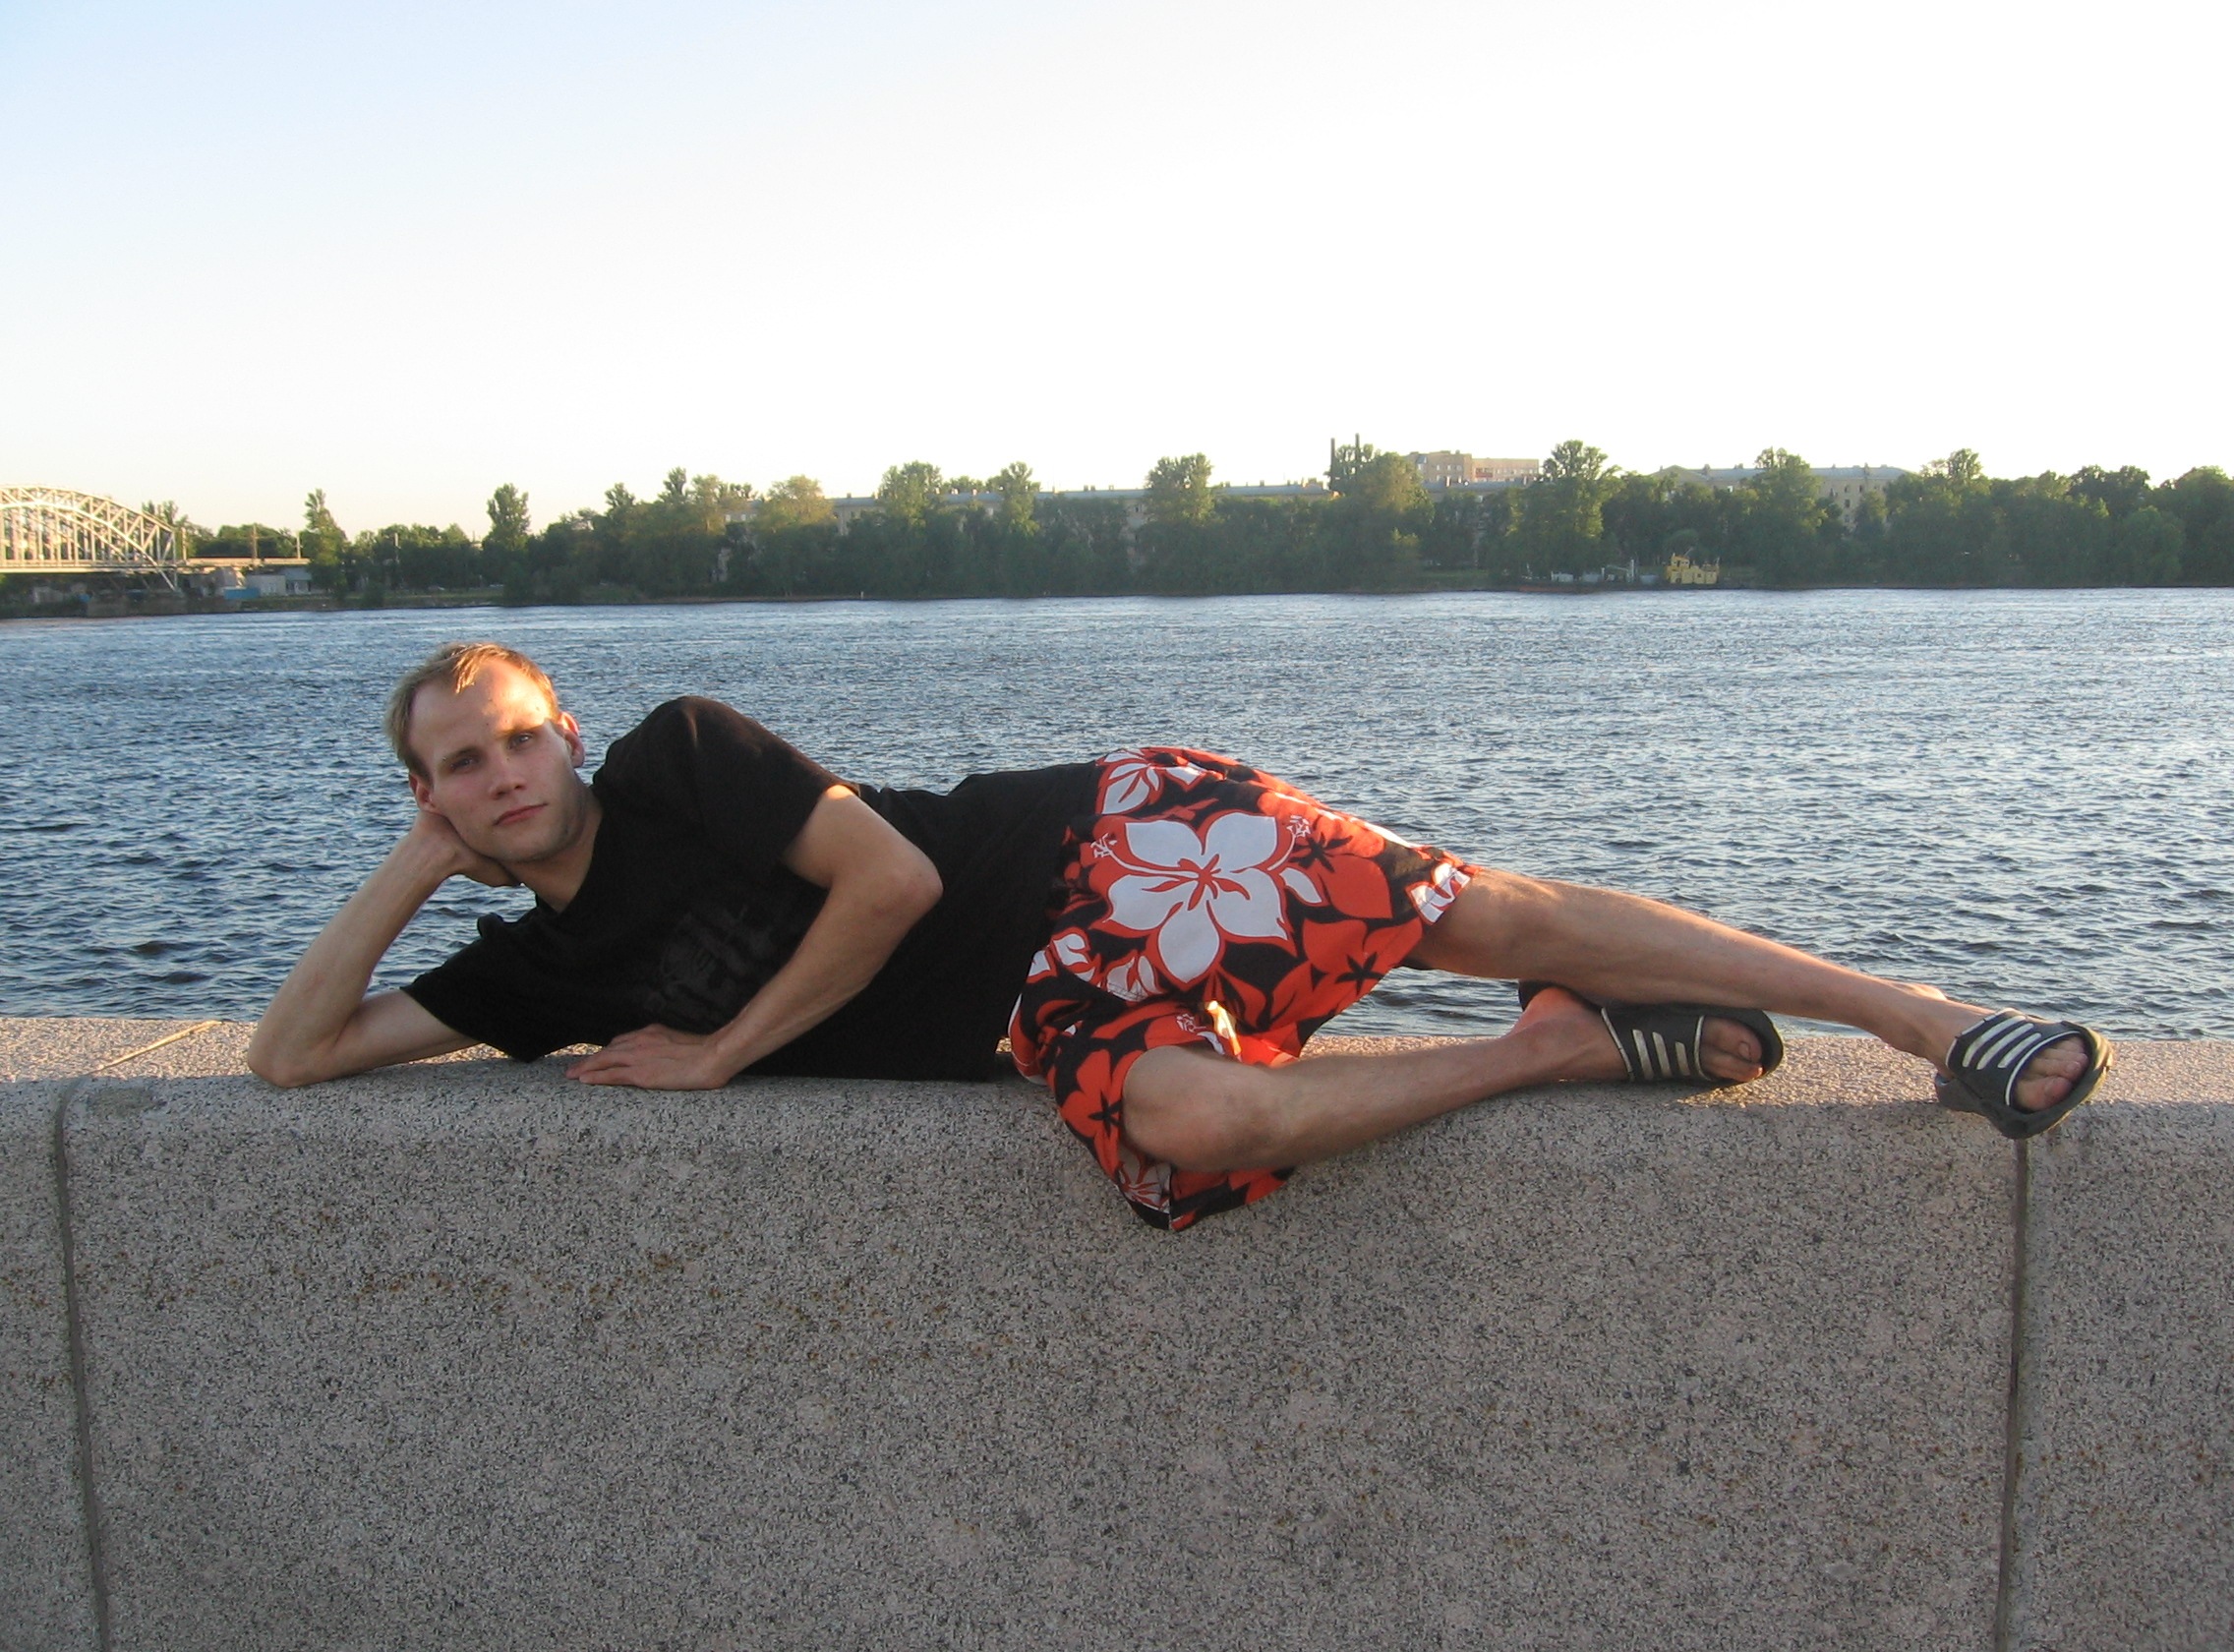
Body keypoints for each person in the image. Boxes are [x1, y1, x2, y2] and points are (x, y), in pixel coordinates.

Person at [249, 641, 2112, 1231]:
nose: (499, 775)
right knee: (1195, 1129)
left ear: (566, 732)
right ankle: (1560, 1047)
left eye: (514, 739)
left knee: (1486, 917)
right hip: (1043, 1018)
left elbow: (891, 885)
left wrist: (725, 1057)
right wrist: (416, 866)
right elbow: (292, 1058)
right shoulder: (528, 975)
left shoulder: (680, 757)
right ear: (433, 795)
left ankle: (1919, 1020)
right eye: (457, 768)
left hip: (1096, 849)